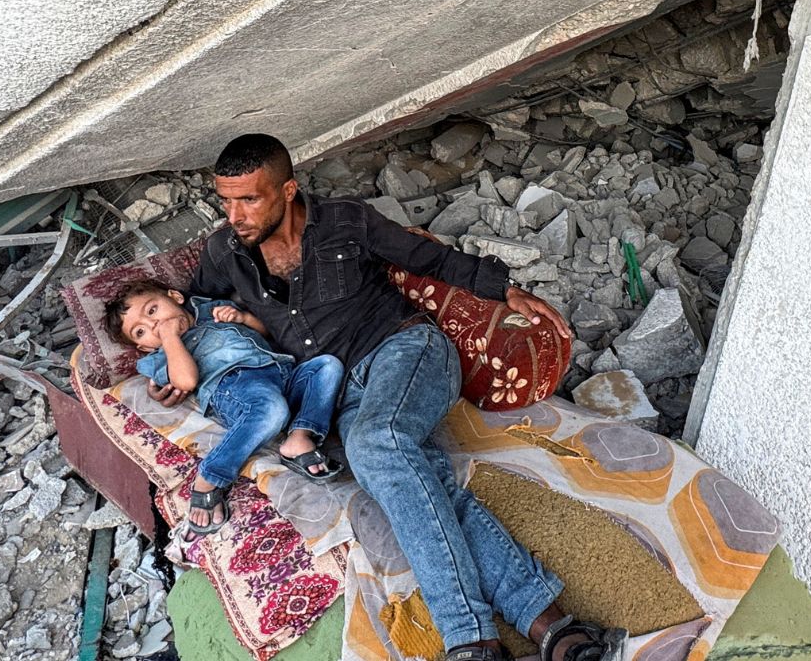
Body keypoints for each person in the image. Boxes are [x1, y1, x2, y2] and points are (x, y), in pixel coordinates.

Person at [178, 133, 623, 661]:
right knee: (421, 480)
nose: (235, 215)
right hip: (333, 390)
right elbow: (192, 308)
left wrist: (504, 289)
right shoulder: (224, 252)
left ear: (288, 190)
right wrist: (171, 356)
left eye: (249, 199)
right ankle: (553, 629)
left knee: (374, 444)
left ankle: (470, 638)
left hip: (405, 350)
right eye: (225, 200)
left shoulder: (345, 221)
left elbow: (429, 259)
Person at [104, 279, 345, 536]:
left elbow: (265, 332)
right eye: (140, 332)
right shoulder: (160, 357)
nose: (154, 325)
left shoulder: (212, 310)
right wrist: (170, 337)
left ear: (175, 297)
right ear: (143, 347)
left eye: (152, 310)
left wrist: (242, 317)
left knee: (327, 366)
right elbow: (186, 380)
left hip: (280, 373)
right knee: (272, 409)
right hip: (235, 389)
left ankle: (298, 437)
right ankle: (211, 476)